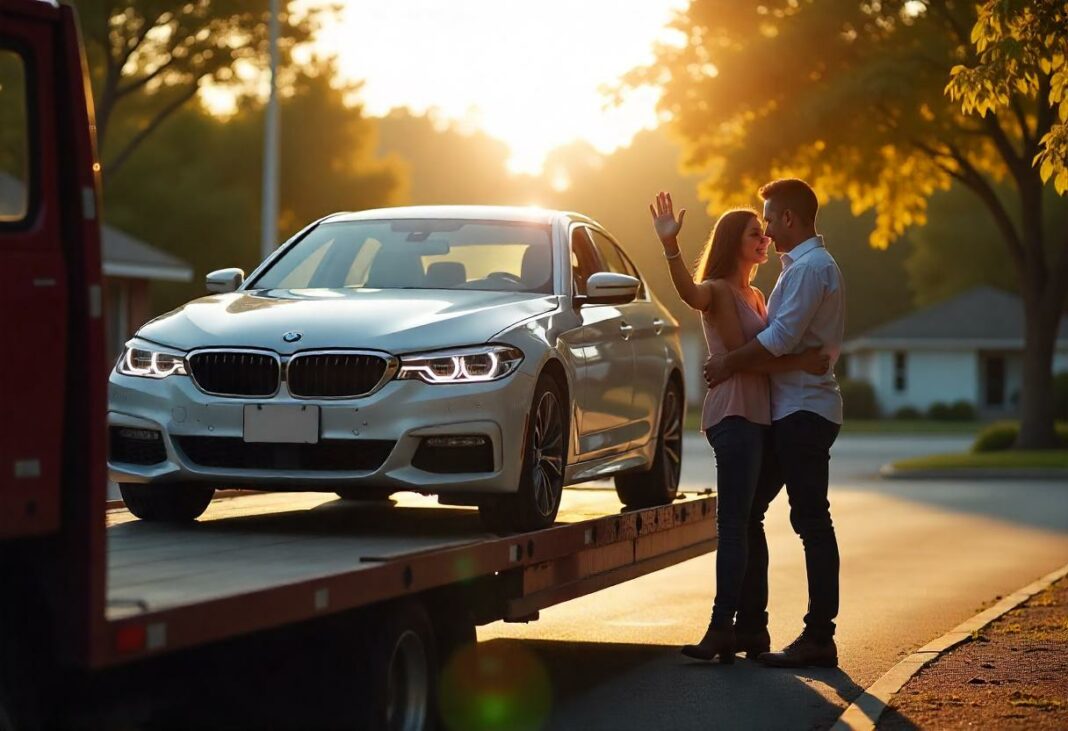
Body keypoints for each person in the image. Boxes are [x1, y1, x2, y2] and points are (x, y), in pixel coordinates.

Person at [648, 192, 829, 664]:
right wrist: (670, 246)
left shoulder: (758, 296)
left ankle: (752, 628)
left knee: (750, 522)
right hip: (734, 417)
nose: (765, 237)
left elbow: (764, 352)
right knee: (733, 525)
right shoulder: (718, 290)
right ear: (733, 242)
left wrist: (795, 361)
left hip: (762, 419)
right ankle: (721, 627)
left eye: (764, 230)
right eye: (754, 233)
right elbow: (690, 296)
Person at [703, 178, 845, 668]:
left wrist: (729, 363)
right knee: (750, 514)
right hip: (791, 410)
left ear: (788, 218)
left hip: (804, 411)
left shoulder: (809, 269)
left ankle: (819, 636)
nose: (765, 228)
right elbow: (786, 344)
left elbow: (779, 338)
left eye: (768, 218)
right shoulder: (800, 268)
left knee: (811, 520)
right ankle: (751, 626)